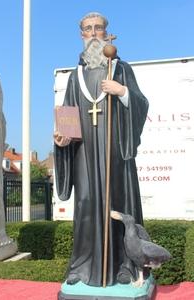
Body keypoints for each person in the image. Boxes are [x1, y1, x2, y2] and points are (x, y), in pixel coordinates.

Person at [54, 12, 149, 287]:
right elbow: (68, 120)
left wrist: (123, 92)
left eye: (98, 28)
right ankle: (82, 267)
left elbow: (141, 105)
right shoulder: (75, 77)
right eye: (88, 29)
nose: (93, 33)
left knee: (118, 205)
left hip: (115, 154)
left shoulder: (120, 69)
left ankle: (124, 267)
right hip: (85, 155)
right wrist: (62, 140)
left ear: (107, 33)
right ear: (82, 35)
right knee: (85, 206)